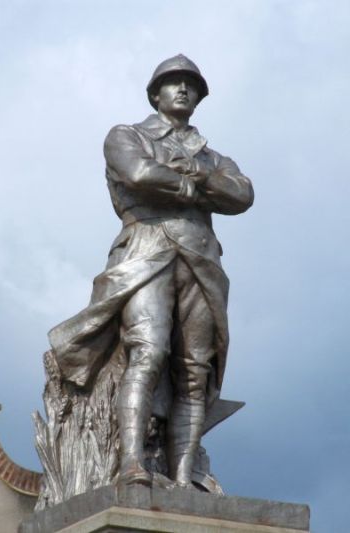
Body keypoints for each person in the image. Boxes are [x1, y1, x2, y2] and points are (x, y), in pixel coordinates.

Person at [48, 54, 254, 488]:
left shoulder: (212, 156)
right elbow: (138, 173)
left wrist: (191, 173)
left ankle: (184, 479)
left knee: (195, 371)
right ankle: (131, 464)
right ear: (155, 93)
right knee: (148, 350)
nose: (183, 89)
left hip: (201, 260)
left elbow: (242, 194)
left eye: (191, 85)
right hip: (146, 250)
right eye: (174, 82)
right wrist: (196, 186)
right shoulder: (127, 135)